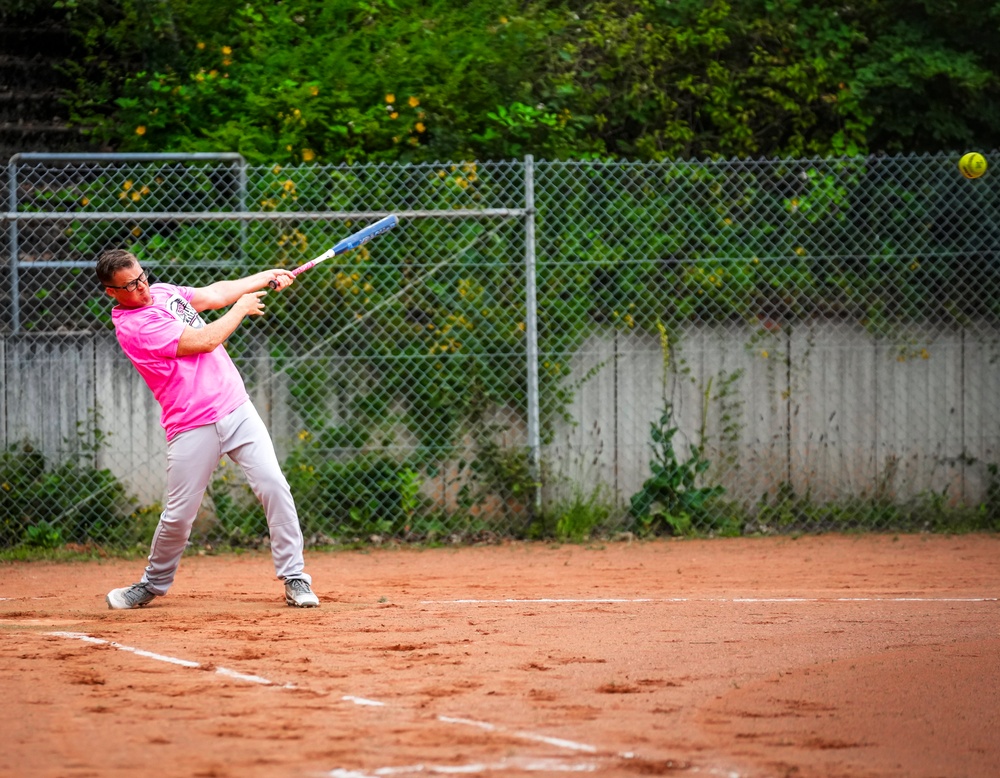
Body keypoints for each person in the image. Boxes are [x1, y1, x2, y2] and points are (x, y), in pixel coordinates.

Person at [95, 249, 319, 609]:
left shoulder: (165, 292)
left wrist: (265, 275)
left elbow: (215, 294)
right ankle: (152, 584)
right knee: (179, 515)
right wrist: (242, 308)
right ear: (111, 292)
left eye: (141, 278)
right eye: (130, 286)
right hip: (191, 424)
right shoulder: (134, 327)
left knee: (274, 485)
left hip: (236, 407)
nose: (142, 289)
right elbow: (204, 341)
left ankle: (295, 577)